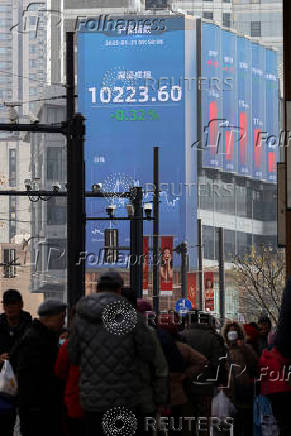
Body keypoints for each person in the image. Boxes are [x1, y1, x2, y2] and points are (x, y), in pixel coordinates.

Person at [67, 271, 157, 435]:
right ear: (119, 290)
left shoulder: (81, 318)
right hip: (125, 398)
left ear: (97, 289)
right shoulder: (132, 317)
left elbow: (73, 356)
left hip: (91, 400)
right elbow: (148, 353)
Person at [10, 299, 67, 436]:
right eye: (61, 318)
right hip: (39, 410)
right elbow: (40, 376)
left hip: (37, 409)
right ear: (49, 318)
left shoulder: (36, 335)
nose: (63, 322)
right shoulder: (37, 341)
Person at [158, 314, 208, 436]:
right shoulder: (180, 347)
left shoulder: (152, 345)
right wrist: (185, 375)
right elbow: (202, 361)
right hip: (176, 394)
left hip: (156, 395)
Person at [179, 311, 227, 434]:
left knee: (186, 423)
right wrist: (220, 381)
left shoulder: (181, 336)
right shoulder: (212, 338)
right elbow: (219, 363)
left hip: (184, 387)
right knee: (203, 423)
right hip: (205, 387)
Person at [0, 289, 32, 436]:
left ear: (21, 305)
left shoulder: (30, 327)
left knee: (26, 425)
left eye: (14, 304)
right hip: (2, 386)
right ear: (3, 306)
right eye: (7, 305)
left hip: (25, 383)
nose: (10, 308)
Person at [223, 322, 258, 436]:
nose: (232, 334)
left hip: (245, 388)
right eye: (230, 331)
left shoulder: (246, 348)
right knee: (234, 422)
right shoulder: (224, 350)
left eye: (235, 331)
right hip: (230, 391)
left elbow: (254, 364)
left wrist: (244, 348)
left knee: (247, 419)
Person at [55, 308, 84, 436]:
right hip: (101, 404)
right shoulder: (106, 343)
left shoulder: (68, 345)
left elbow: (59, 372)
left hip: (74, 402)